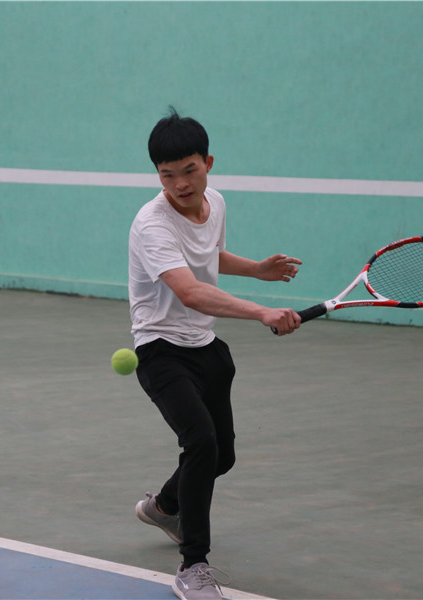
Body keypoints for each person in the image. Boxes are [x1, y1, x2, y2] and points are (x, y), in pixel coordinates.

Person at [128, 108, 302, 600]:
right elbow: (190, 290)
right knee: (201, 443)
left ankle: (165, 507)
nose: (180, 184)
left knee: (221, 456)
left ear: (208, 163)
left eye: (189, 170)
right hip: (160, 349)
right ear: (157, 174)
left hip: (206, 347)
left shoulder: (216, 203)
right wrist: (262, 311)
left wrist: (256, 269)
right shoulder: (151, 224)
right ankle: (193, 567)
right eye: (167, 175)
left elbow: (207, 257)